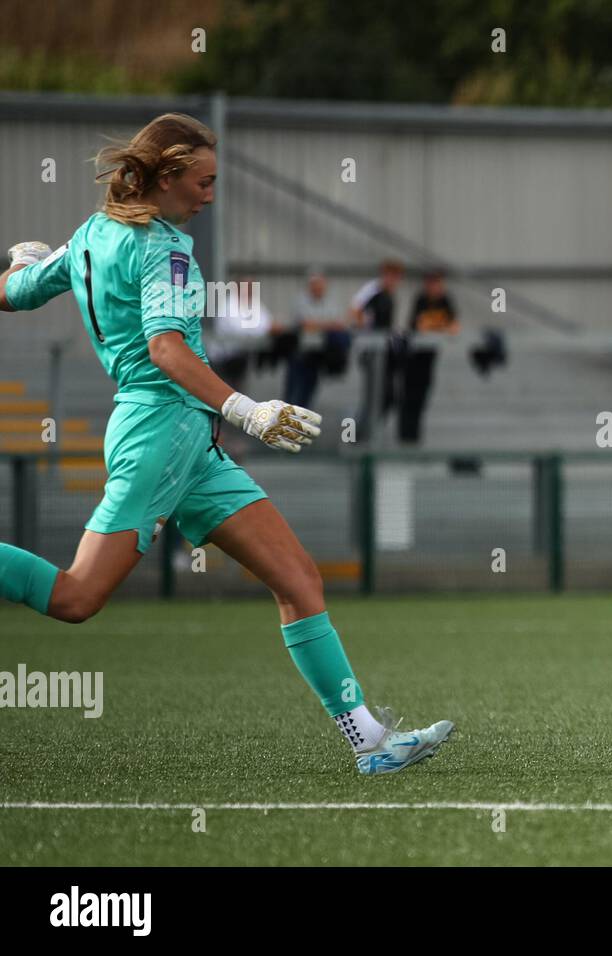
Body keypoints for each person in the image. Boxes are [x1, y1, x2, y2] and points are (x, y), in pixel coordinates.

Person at [0, 113, 452, 774]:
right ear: (168, 176)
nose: (211, 194)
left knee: (298, 579)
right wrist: (248, 409)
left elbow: (13, 294)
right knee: (75, 598)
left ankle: (371, 745)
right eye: (203, 181)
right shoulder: (165, 248)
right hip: (159, 435)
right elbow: (165, 348)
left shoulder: (91, 236)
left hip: (185, 443)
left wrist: (19, 263)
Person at [399, 269, 459, 445]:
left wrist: (438, 323)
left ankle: (414, 438)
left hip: (429, 357)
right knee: (409, 397)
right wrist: (441, 323)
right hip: (412, 358)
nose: (435, 287)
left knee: (422, 398)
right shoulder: (421, 300)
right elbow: (421, 325)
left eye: (438, 283)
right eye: (432, 283)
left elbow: (454, 326)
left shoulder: (445, 300)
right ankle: (405, 437)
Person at [349, 259, 404, 443]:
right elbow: (355, 310)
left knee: (387, 395)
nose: (392, 280)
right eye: (389, 275)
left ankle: (370, 431)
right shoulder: (373, 290)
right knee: (375, 393)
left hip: (385, 351)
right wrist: (365, 330)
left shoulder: (390, 294)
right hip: (373, 351)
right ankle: (359, 435)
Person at [285, 269, 344, 411]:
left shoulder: (329, 302)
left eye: (322, 285)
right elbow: (306, 324)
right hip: (300, 352)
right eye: (316, 285)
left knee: (309, 390)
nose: (319, 288)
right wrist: (326, 325)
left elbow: (338, 324)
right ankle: (285, 425)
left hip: (318, 353)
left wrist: (319, 325)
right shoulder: (300, 301)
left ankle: (300, 424)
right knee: (294, 391)